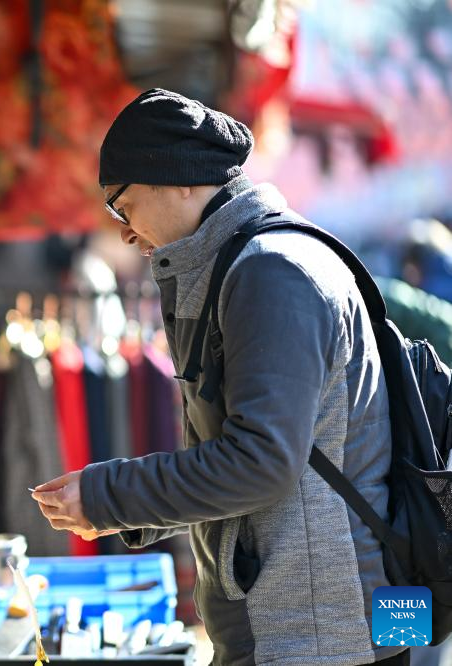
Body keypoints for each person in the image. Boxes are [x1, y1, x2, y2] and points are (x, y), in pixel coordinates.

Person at [32, 89, 407, 665]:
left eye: (123, 205)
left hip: (317, 631)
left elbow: (260, 462)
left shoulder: (271, 271)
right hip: (305, 620)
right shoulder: (244, 263)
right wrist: (120, 508)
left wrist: (110, 496)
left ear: (180, 180)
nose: (124, 231)